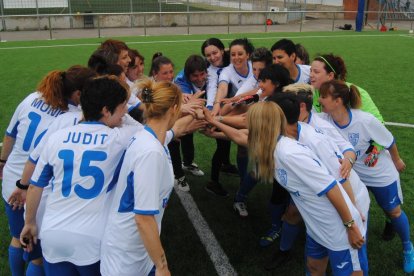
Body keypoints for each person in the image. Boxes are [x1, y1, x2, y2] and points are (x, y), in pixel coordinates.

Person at [19, 76, 140, 276]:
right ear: (106, 110)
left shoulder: (57, 138)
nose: (125, 111)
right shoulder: (119, 138)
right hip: (92, 239)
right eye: (122, 106)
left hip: (53, 235)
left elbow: (35, 186)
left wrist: (30, 222)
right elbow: (153, 132)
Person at [247, 101, 367, 276]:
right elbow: (240, 136)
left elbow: (332, 187)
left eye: (250, 122)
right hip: (317, 225)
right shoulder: (275, 148)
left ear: (260, 126)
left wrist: (350, 226)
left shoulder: (290, 153)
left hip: (338, 227)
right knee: (313, 268)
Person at [0, 66, 95, 276]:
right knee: (39, 257)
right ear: (78, 93)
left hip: (12, 180)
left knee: (18, 238)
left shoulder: (32, 98)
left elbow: (9, 135)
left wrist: (2, 161)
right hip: (35, 188)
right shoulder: (71, 116)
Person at [318, 79, 414, 273]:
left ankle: (407, 247)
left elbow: (389, 140)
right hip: (354, 177)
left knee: (393, 212)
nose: (319, 100)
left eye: (323, 96)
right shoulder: (323, 119)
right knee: (356, 216)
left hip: (380, 174)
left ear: (338, 101)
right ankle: (357, 256)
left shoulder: (364, 119)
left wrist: (396, 161)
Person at [100, 79, 182, 276]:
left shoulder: (148, 137)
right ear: (174, 108)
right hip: (127, 256)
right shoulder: (151, 151)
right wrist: (162, 267)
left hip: (134, 249)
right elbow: (143, 218)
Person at [309, 53, 393, 239]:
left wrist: (374, 150)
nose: (311, 74)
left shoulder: (355, 92)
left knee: (382, 194)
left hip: (366, 153)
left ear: (330, 76)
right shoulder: (315, 93)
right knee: (353, 189)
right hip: (346, 155)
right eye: (310, 70)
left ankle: (390, 219)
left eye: (316, 71)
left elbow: (379, 124)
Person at [209, 38, 254, 196]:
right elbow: (222, 88)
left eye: (240, 53)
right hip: (236, 111)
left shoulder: (255, 68)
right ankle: (215, 180)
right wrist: (216, 105)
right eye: (233, 54)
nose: (236, 57)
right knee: (224, 145)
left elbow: (251, 92)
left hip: (252, 112)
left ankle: (243, 180)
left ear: (248, 54)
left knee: (244, 148)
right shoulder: (228, 70)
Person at [201, 38, 239, 196]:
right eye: (208, 55)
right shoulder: (210, 70)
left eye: (215, 52)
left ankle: (226, 164)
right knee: (222, 142)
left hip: (237, 106)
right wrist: (211, 109)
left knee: (228, 138)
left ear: (223, 50)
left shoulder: (234, 60)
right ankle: (213, 182)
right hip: (220, 109)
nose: (212, 57)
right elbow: (211, 89)